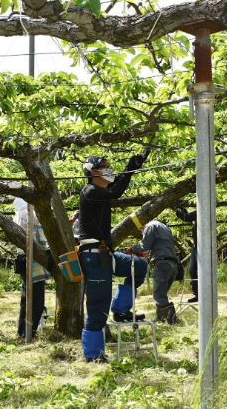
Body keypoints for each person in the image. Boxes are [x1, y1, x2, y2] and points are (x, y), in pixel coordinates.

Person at [79, 154, 148, 362]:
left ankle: (120, 310)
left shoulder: (100, 192)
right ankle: (92, 355)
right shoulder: (90, 191)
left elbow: (114, 186)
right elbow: (117, 191)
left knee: (138, 266)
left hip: (105, 254)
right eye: (105, 166)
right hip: (93, 256)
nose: (109, 169)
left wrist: (132, 166)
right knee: (98, 305)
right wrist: (130, 168)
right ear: (93, 172)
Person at [125, 219, 180, 324]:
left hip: (162, 263)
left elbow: (144, 245)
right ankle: (159, 319)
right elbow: (159, 245)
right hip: (172, 263)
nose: (142, 230)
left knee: (158, 294)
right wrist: (147, 254)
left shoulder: (150, 226)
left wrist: (132, 248)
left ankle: (171, 321)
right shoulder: (163, 227)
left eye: (141, 228)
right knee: (161, 293)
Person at [12, 198, 52, 339]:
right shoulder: (26, 214)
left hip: (27, 261)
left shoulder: (18, 216)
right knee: (36, 300)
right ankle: (30, 332)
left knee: (27, 298)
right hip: (32, 262)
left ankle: (22, 332)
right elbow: (40, 223)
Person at [174, 206, 198, 303]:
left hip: (200, 246)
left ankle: (201, 293)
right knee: (192, 270)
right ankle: (197, 294)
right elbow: (188, 216)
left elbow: (186, 217)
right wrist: (183, 210)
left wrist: (176, 210)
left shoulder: (200, 212)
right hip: (196, 246)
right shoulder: (198, 214)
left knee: (195, 270)